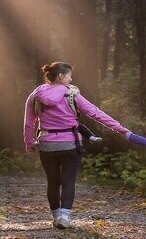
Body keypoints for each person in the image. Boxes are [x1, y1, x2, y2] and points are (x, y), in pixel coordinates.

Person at [24, 61, 129, 229]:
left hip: (47, 144)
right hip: (70, 145)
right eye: (69, 75)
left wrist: (29, 143)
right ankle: (64, 218)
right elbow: (96, 113)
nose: (71, 79)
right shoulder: (72, 94)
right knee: (68, 181)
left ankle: (56, 217)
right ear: (60, 76)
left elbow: (29, 122)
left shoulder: (36, 95)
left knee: (53, 182)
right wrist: (121, 129)